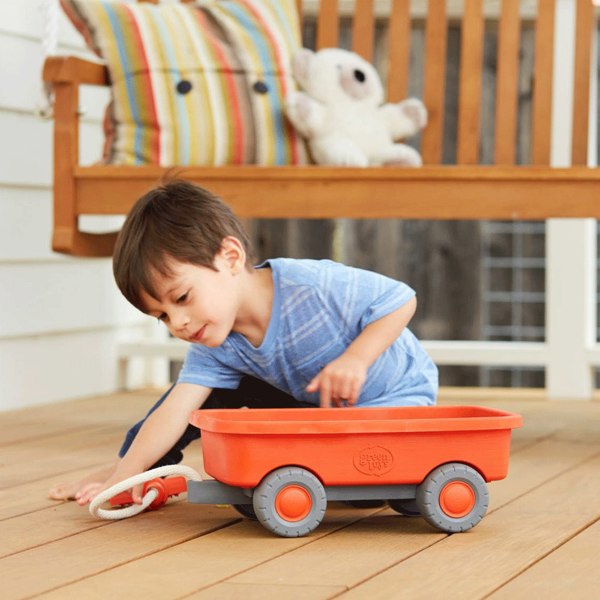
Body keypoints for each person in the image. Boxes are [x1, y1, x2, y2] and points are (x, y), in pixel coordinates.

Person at [49, 180, 438, 505]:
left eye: (182, 298)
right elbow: (175, 412)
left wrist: (356, 359)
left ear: (230, 257)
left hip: (393, 400)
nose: (178, 324)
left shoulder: (311, 284)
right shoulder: (216, 342)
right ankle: (132, 468)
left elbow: (399, 299)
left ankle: (131, 468)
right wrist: (123, 477)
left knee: (360, 491)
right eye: (162, 316)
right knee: (198, 395)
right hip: (320, 408)